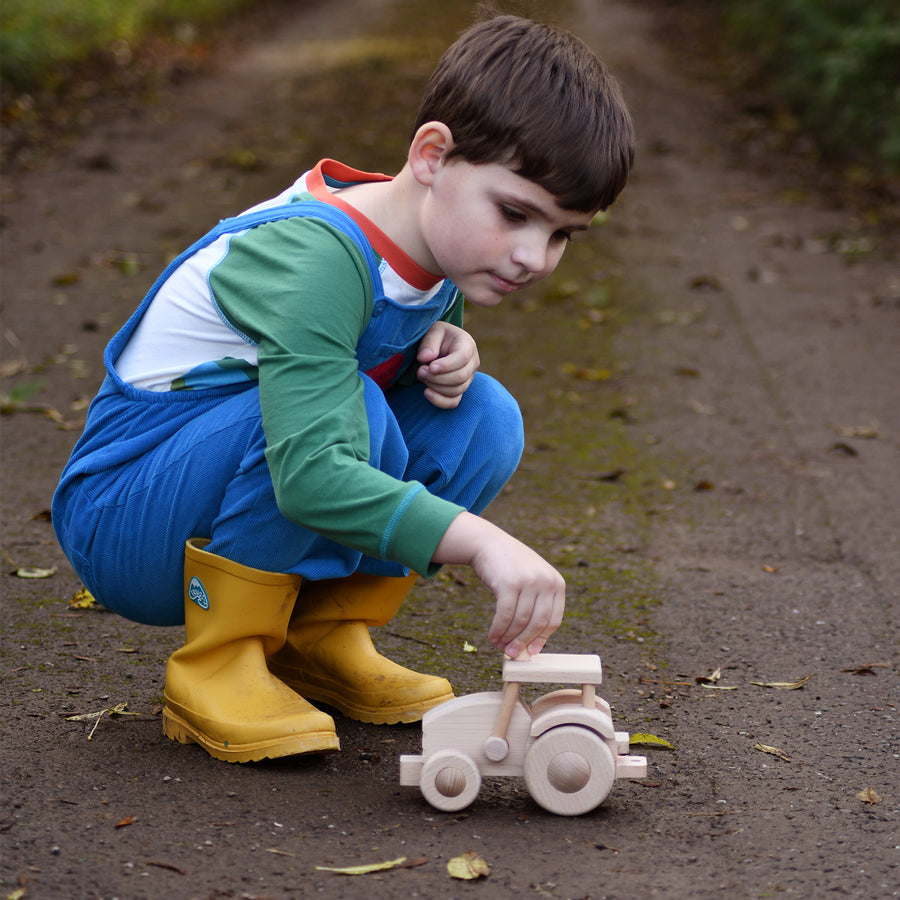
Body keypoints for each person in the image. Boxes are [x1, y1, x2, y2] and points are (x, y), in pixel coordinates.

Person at [52, 12, 635, 763]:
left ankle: (319, 637)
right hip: (125, 512)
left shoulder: (432, 249)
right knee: (348, 416)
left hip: (219, 477)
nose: (535, 257)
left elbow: (375, 349)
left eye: (560, 234)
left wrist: (448, 345)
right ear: (432, 155)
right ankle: (219, 662)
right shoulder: (321, 255)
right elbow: (313, 470)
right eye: (516, 213)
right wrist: (483, 544)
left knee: (485, 415)